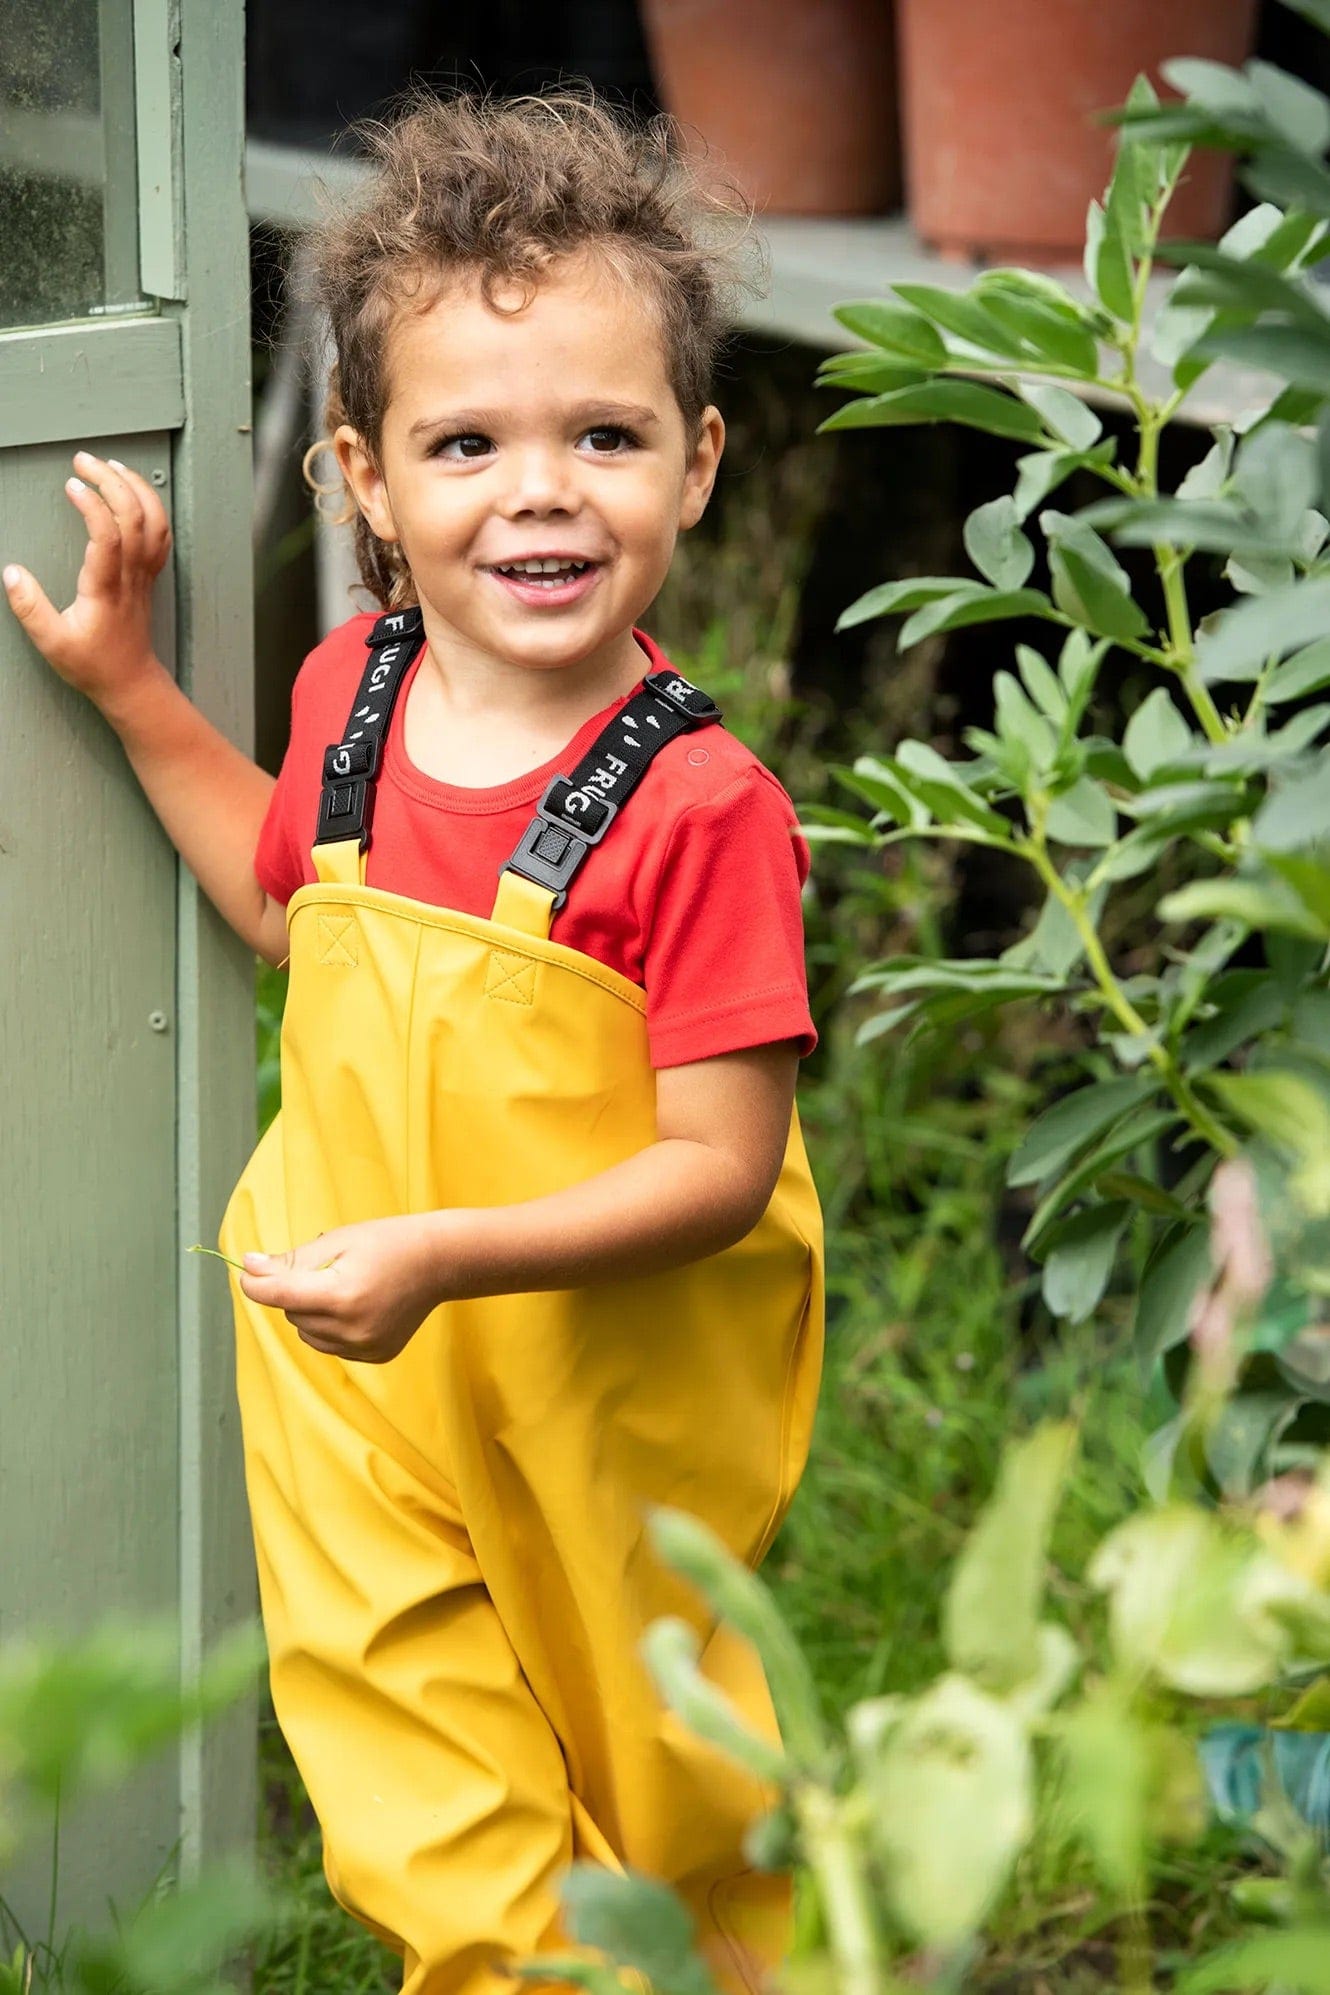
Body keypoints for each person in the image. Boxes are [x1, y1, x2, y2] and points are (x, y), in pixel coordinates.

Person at [4, 90, 824, 1995]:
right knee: (431, 1810)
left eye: (602, 437)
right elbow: (299, 915)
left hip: (604, 1416)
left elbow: (714, 1173)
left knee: (680, 1810)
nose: (538, 490)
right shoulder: (347, 695)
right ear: (364, 478)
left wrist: (449, 1258)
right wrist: (133, 695)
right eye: (467, 443)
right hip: (357, 1382)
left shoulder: (701, 812)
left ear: (694, 465)